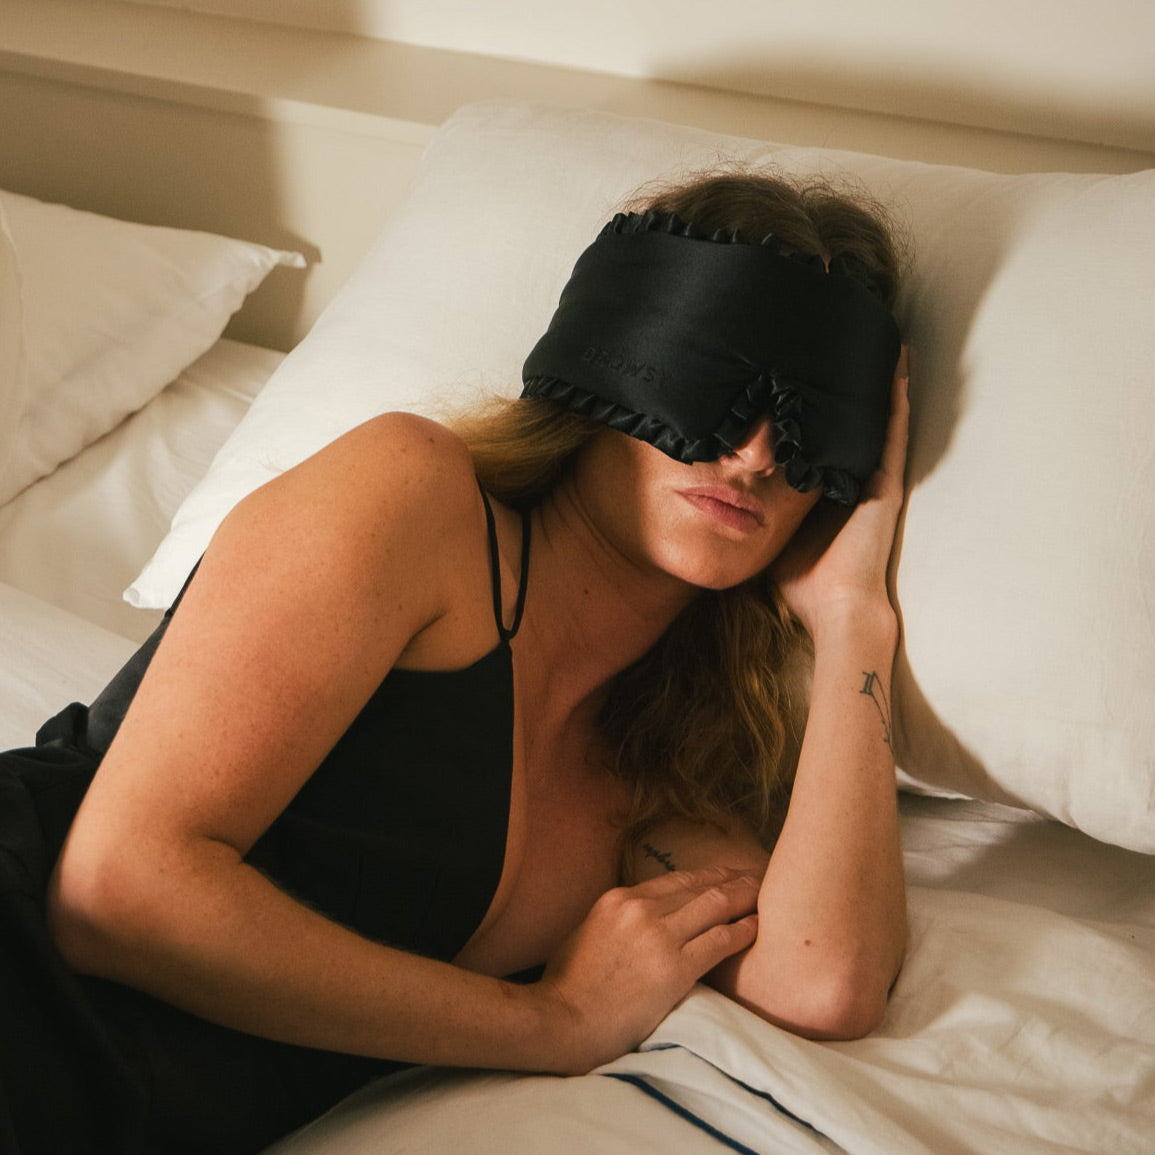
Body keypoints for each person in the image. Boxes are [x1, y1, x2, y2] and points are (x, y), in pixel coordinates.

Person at [0, 170, 910, 1154]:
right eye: (713, 387)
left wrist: (854, 618)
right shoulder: (414, 497)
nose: (757, 455)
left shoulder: (658, 785)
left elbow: (823, 983)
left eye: (813, 426)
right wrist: (551, 1022)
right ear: (614, 362)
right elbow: (117, 892)